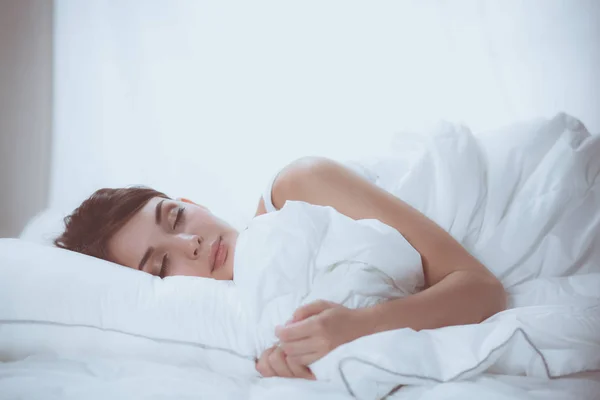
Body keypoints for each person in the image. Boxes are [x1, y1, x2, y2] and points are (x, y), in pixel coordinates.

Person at [54, 156, 507, 381]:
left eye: (175, 217)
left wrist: (362, 326)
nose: (189, 242)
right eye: (162, 264)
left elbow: (482, 287)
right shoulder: (248, 330)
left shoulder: (297, 188)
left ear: (190, 203)